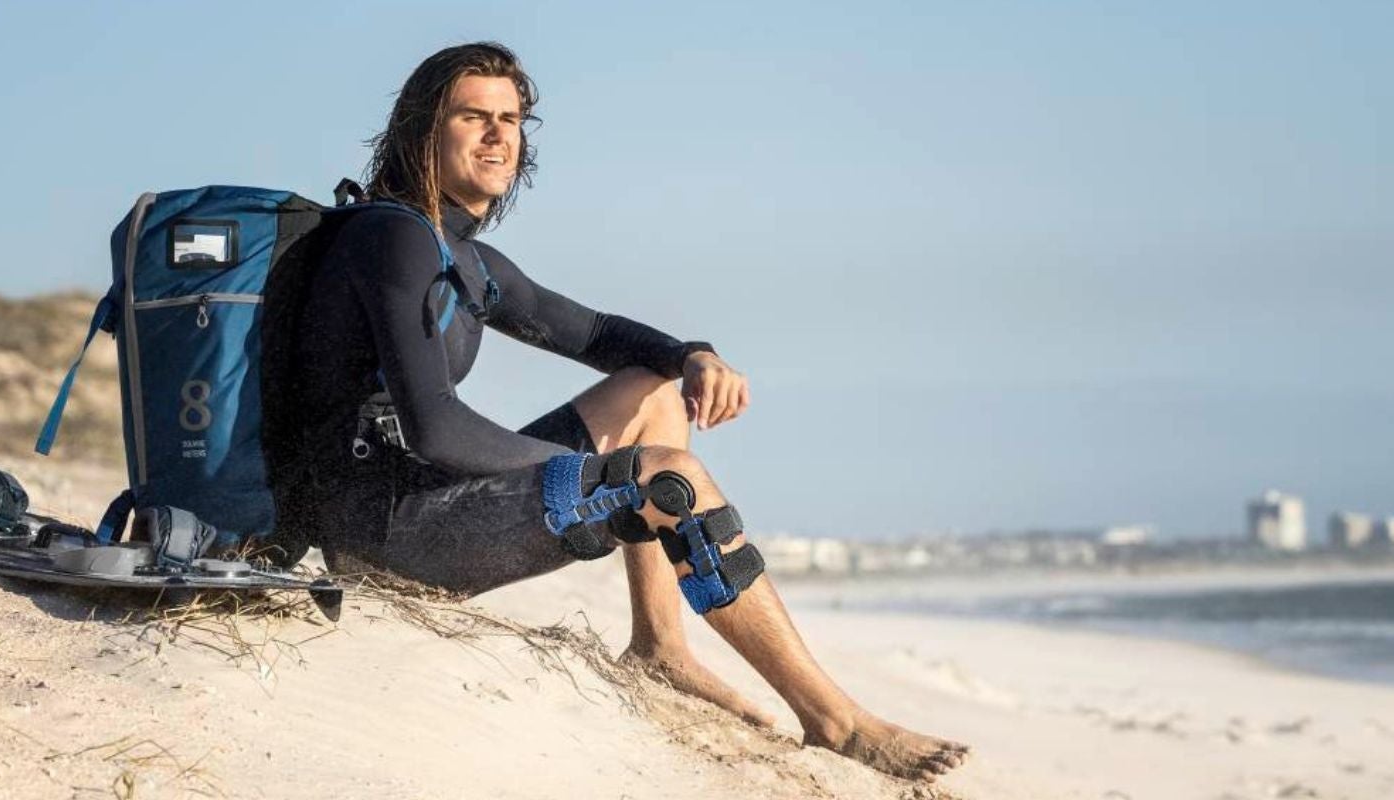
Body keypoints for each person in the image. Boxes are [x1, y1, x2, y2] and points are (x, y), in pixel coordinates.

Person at [258, 42, 967, 782]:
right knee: (669, 484)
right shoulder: (393, 239)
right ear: (420, 134)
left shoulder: (465, 258)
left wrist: (694, 353)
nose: (500, 135)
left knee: (653, 392)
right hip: (387, 534)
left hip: (421, 504)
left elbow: (596, 334)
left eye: (511, 118)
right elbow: (435, 428)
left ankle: (662, 647)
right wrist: (611, 476)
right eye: (474, 117)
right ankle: (838, 722)